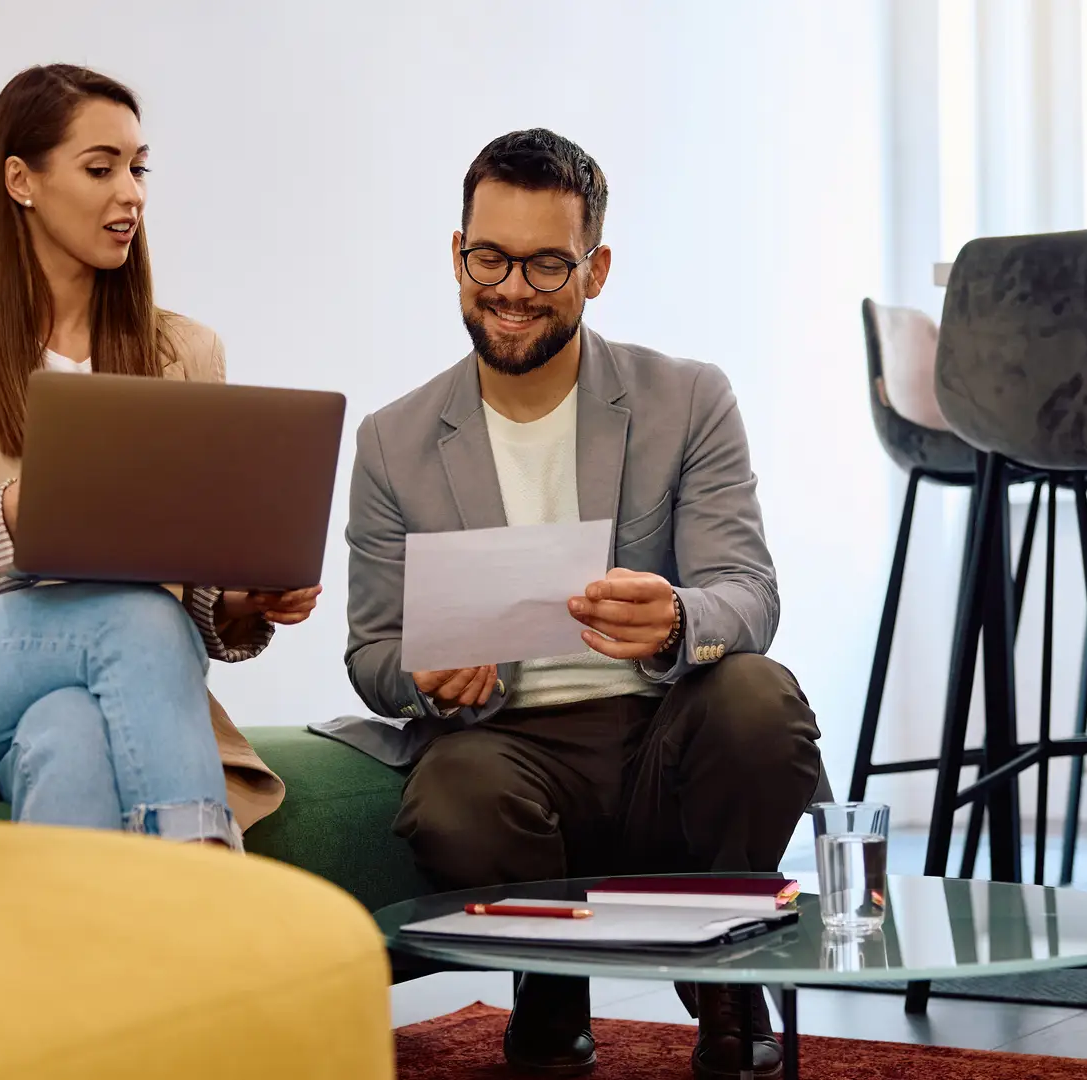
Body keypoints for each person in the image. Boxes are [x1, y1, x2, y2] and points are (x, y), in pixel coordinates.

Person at [316, 129, 826, 1078]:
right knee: (453, 794)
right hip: (509, 747)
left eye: (547, 263)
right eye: (489, 257)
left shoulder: (687, 399)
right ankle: (548, 986)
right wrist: (422, 676)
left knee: (760, 700)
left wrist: (677, 617)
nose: (512, 288)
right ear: (456, 255)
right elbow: (372, 656)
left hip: (665, 728)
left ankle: (723, 982)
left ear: (595, 270)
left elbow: (749, 597)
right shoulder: (394, 441)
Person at [0, 64, 318, 848]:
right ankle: (210, 897)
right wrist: (32, 503)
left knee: (67, 737)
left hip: (109, 670)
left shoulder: (184, 351)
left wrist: (239, 600)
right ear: (21, 180)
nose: (131, 192)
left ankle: (79, 965)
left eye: (138, 169)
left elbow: (189, 571)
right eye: (101, 168)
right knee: (138, 619)